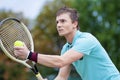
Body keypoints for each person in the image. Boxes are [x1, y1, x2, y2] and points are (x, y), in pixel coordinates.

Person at [14, 7, 120, 80]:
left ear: (74, 24)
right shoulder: (66, 49)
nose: (59, 25)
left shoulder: (86, 40)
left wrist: (29, 55)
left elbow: (61, 61)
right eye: (57, 22)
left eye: (63, 21)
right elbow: (62, 77)